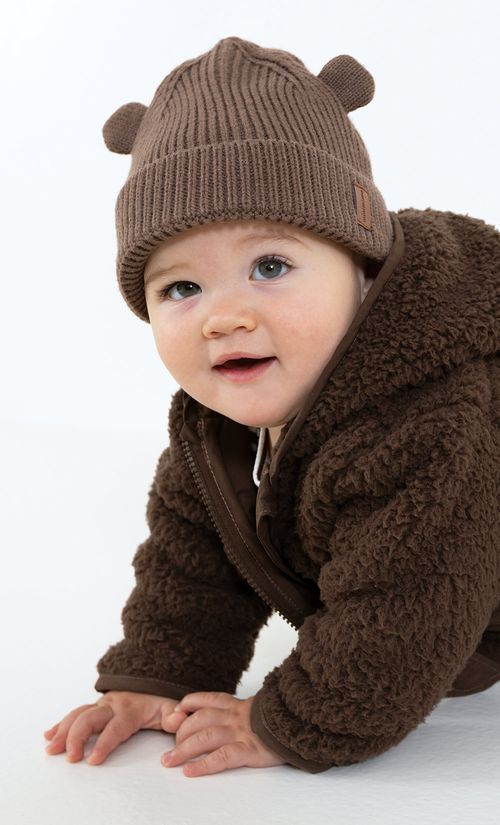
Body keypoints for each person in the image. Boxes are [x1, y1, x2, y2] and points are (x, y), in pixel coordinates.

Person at [44, 35, 500, 778]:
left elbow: (409, 605)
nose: (223, 317)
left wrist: (290, 719)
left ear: (364, 270)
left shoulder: (432, 416)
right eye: (181, 288)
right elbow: (196, 557)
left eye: (270, 265)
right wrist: (159, 670)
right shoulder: (217, 427)